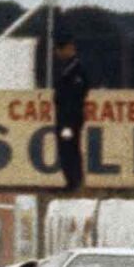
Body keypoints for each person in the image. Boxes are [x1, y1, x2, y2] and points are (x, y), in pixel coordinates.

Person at [52, 34, 89, 192]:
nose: (57, 53)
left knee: (71, 150)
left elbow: (75, 96)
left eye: (60, 49)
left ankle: (75, 182)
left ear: (69, 49)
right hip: (62, 115)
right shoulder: (65, 68)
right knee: (64, 151)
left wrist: (68, 123)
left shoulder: (77, 69)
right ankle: (70, 181)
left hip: (71, 116)